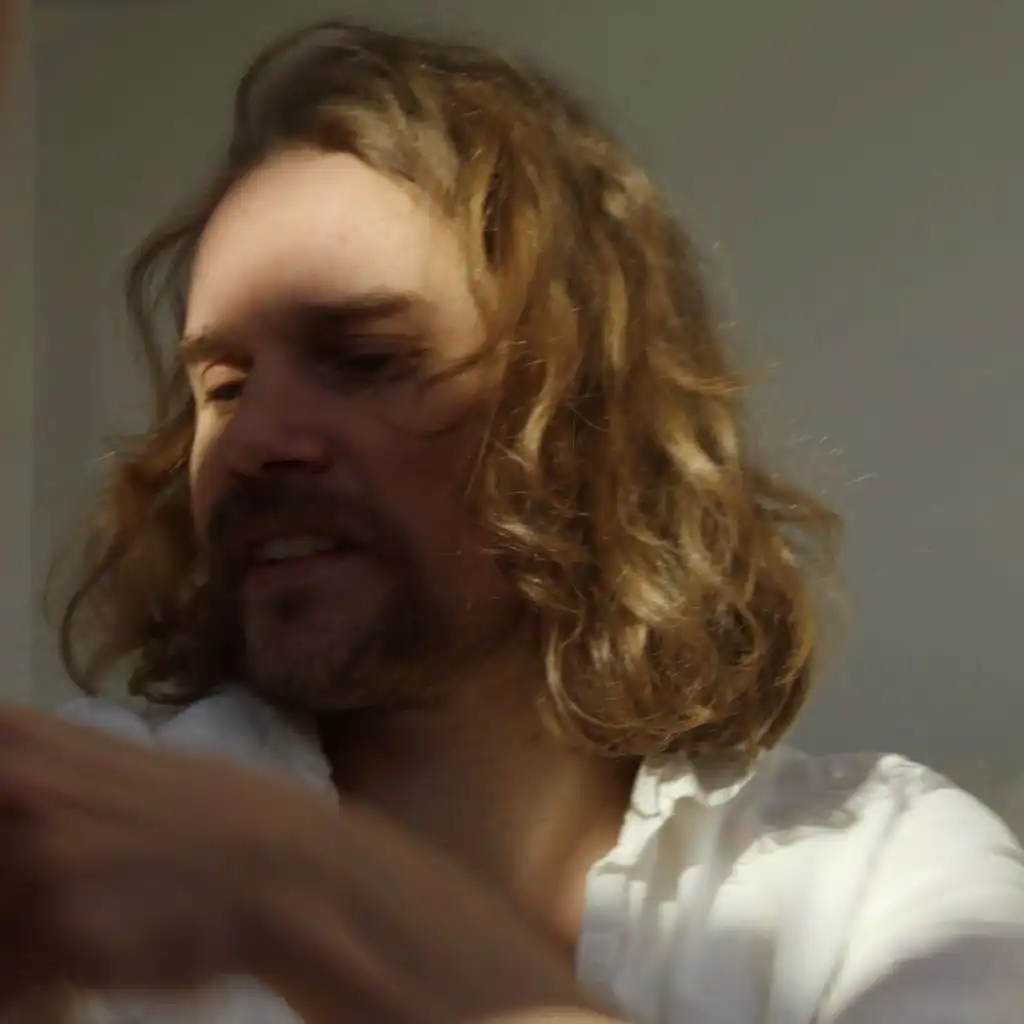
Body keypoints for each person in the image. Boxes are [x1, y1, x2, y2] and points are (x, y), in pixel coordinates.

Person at [0, 12, 1022, 1024]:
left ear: (589, 420)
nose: (254, 437)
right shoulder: (67, 833)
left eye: (364, 361)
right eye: (224, 387)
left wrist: (312, 897)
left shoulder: (883, 881)